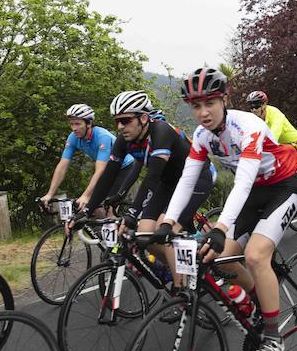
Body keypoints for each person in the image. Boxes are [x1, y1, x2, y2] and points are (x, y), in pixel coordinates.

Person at [157, 68, 297, 351]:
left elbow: (244, 181)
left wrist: (220, 227)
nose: (203, 112)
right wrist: (168, 222)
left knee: (255, 255)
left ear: (224, 99)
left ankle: (274, 338)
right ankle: (263, 306)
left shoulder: (247, 126)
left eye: (209, 103)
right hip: (253, 193)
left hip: (283, 186)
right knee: (220, 259)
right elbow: (187, 180)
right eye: (196, 106)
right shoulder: (201, 136)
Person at [83, 90, 214, 279]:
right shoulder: (124, 139)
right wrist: (86, 210)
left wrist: (131, 214)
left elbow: (152, 177)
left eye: (125, 120)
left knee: (164, 229)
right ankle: (177, 267)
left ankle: (181, 291)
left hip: (197, 178)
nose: (120, 126)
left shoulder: (161, 131)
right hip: (169, 183)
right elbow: (108, 176)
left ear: (143, 118)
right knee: (145, 236)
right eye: (117, 121)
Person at [40, 103, 137, 215]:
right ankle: (102, 230)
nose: (74, 128)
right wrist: (50, 194)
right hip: (108, 169)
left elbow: (100, 170)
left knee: (106, 207)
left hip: (124, 168)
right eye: (71, 124)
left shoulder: (102, 137)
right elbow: (62, 165)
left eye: (77, 124)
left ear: (89, 123)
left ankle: (116, 229)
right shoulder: (73, 137)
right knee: (93, 208)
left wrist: (86, 196)